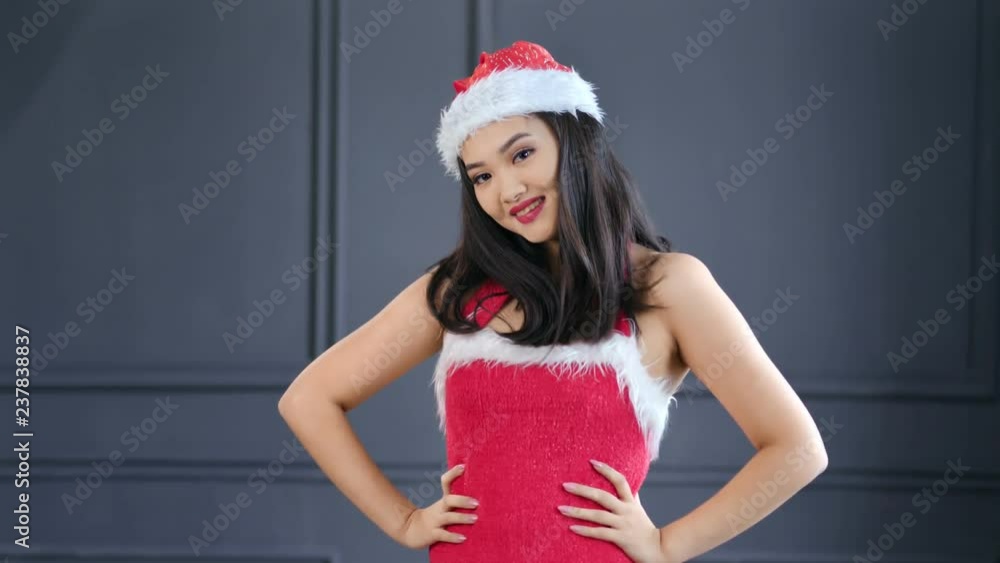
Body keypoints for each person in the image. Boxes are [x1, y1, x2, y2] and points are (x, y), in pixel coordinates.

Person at [279, 40, 828, 563]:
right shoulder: (457, 291)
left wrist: (666, 545)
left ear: (574, 142)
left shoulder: (669, 287)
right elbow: (308, 399)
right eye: (483, 176)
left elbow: (796, 448)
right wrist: (403, 522)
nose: (508, 189)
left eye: (523, 154)